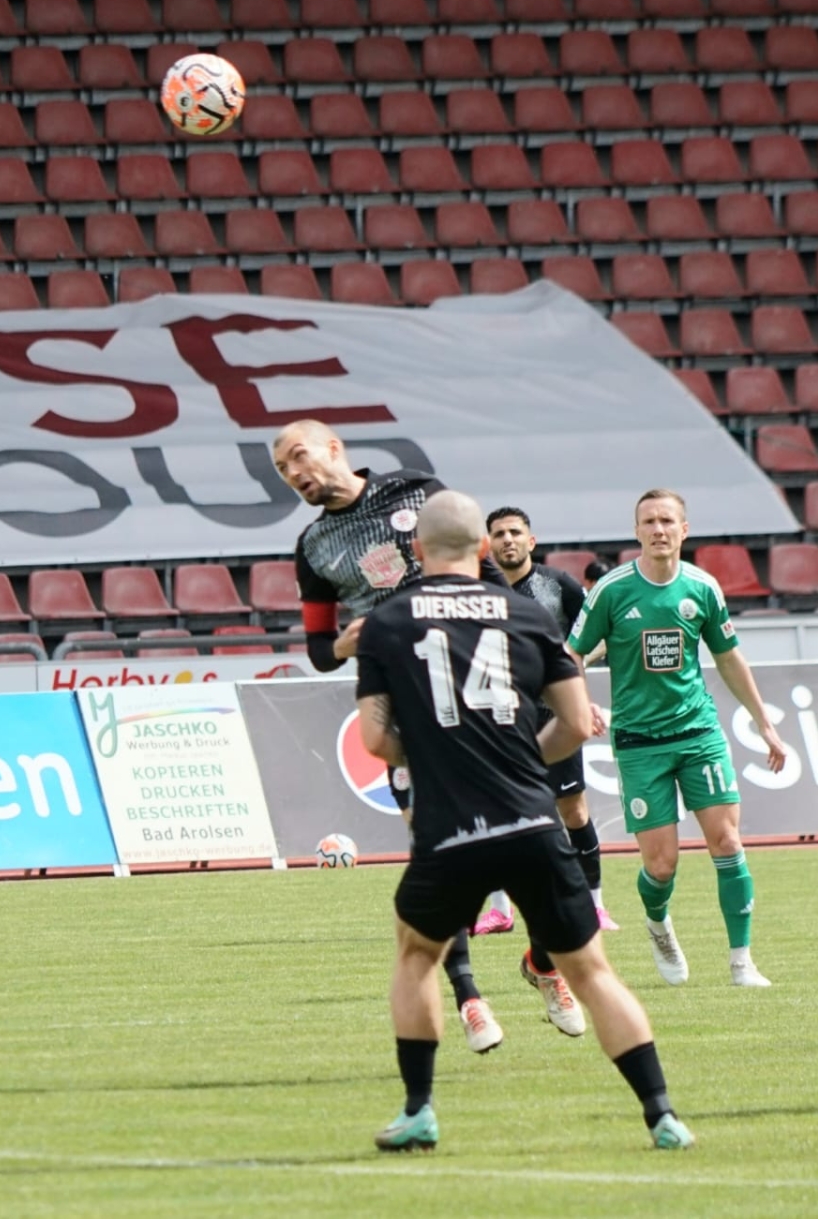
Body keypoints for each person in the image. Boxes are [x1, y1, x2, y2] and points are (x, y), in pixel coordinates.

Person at [355, 489, 693, 1152]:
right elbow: (573, 725)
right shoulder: (527, 612)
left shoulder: (388, 621)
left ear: (417, 553)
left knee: (416, 955)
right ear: (484, 548)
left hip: (449, 831)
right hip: (534, 825)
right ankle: (662, 1116)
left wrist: (433, 758)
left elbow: (373, 739)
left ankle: (419, 1110)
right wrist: (519, 765)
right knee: (592, 972)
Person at [273, 419, 506, 1055]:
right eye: (283, 471)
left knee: (522, 832)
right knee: (433, 850)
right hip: (404, 701)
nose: (295, 474)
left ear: (333, 449)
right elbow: (320, 649)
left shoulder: (414, 489)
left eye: (299, 457)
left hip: (475, 684)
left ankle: (545, 964)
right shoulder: (314, 547)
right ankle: (470, 997)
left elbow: (483, 567)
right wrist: (351, 641)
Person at [566, 490, 787, 989]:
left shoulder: (703, 588)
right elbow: (571, 653)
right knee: (661, 865)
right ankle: (658, 923)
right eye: (649, 521)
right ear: (637, 531)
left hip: (698, 732)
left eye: (668, 520)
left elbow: (729, 656)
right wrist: (580, 704)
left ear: (684, 530)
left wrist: (764, 723)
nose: (659, 529)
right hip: (640, 741)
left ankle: (741, 962)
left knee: (727, 841)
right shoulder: (612, 591)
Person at [481, 506, 617, 1040]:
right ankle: (498, 912)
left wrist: (579, 696)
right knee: (502, 816)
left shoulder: (560, 588)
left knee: (572, 810)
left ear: (531, 539)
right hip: (497, 719)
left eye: (515, 532)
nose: (508, 540)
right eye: (498, 534)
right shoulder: (477, 591)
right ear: (487, 544)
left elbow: (589, 640)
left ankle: (595, 905)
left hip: (554, 717)